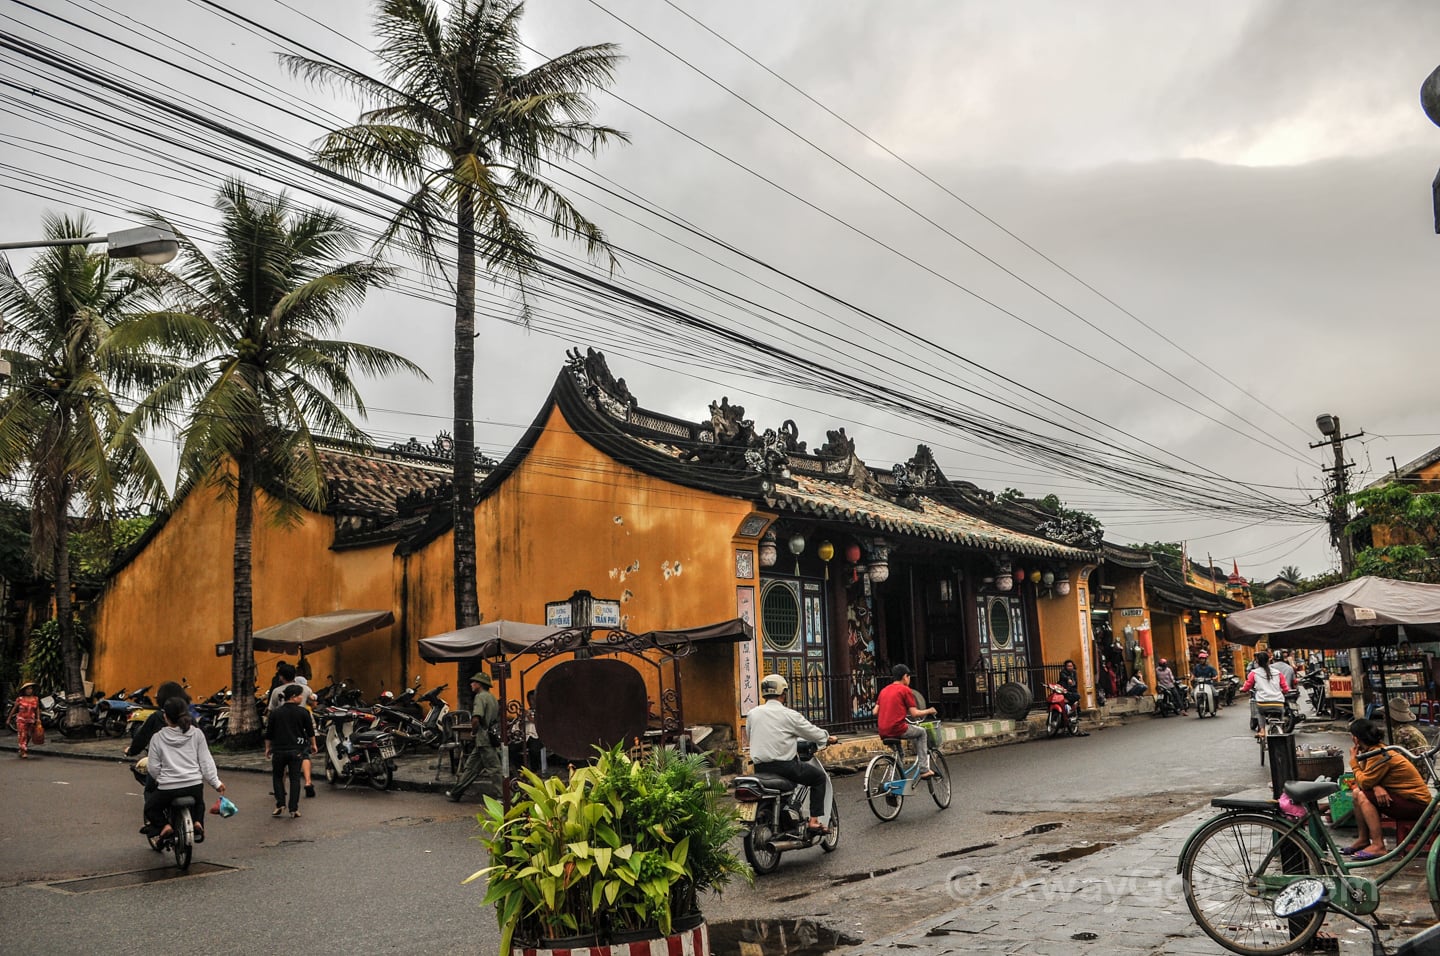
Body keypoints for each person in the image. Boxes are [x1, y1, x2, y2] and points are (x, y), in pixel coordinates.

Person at [745, 673, 836, 834]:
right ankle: (814, 821)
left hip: (760, 768)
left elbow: (750, 735)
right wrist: (827, 738)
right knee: (818, 778)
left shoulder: (753, 714)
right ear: (783, 692)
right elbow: (811, 732)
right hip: (785, 767)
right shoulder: (789, 715)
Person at [1344, 718, 1432, 859]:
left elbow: (1365, 782)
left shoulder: (1379, 753)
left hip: (1416, 804)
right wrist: (1377, 786)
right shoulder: (1374, 751)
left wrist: (1354, 762)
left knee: (1361, 795)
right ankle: (1363, 839)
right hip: (1404, 798)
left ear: (1355, 738)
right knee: (1357, 793)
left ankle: (1378, 845)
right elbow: (1370, 777)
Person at [144, 697, 226, 843]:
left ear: (166, 717)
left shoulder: (157, 738)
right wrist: (216, 782)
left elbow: (153, 767)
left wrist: (159, 779)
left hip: (168, 788)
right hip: (194, 785)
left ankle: (164, 826)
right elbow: (206, 761)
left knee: (150, 808)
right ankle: (197, 823)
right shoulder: (197, 734)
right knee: (199, 803)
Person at [877, 664, 939, 778]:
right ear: (905, 676)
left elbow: (875, 711)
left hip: (883, 730)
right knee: (922, 733)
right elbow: (915, 713)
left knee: (899, 754)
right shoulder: (905, 690)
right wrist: (929, 710)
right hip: (898, 728)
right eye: (909, 676)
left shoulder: (884, 690)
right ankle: (924, 769)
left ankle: (896, 781)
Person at [265, 684, 317, 818]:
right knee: (295, 779)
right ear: (293, 697)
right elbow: (310, 731)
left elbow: (269, 733)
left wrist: (268, 748)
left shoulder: (276, 713)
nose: (301, 697)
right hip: (297, 750)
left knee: (277, 777)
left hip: (279, 750)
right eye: (300, 695)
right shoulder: (303, 712)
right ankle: (294, 808)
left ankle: (280, 803)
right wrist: (313, 745)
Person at [447, 672, 499, 802]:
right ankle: (456, 792)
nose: (471, 684)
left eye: (473, 682)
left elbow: (476, 718)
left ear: (479, 684)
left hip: (484, 738)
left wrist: (474, 732)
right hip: (487, 738)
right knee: (471, 768)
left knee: (494, 768)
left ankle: (503, 796)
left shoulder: (480, 697)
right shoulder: (491, 698)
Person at [1239, 652, 1290, 740]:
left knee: (1260, 712)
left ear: (1257, 662)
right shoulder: (1278, 673)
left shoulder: (1253, 673)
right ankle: (1281, 728)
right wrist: (1283, 692)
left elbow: (1247, 686)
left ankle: (1262, 730)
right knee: (1280, 712)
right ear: (1268, 661)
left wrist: (1242, 690)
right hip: (1278, 703)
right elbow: (1285, 688)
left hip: (1263, 703)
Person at [6, 681, 40, 758]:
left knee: (29, 735)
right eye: (27, 689)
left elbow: (37, 709)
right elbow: (14, 709)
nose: (29, 690)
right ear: (24, 690)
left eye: (30, 689)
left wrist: (38, 718)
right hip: (21, 720)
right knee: (22, 735)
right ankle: (24, 751)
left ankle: (22, 748)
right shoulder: (20, 699)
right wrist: (9, 719)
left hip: (31, 720)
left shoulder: (36, 699)